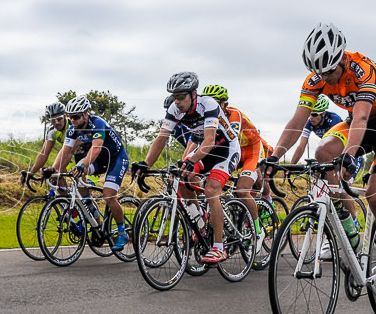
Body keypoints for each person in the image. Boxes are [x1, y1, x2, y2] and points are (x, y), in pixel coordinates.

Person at [265, 22, 376, 310]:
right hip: (358, 125)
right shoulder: (316, 79)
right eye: (321, 73)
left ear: (341, 58)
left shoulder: (363, 69)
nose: (327, 79)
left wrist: (351, 153)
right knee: (322, 152)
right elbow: (297, 121)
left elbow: (361, 118)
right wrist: (275, 155)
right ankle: (346, 225)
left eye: (330, 72)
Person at [136, 72, 241, 265]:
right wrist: (145, 164)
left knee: (211, 189)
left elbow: (209, 141)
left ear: (193, 94)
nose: (177, 101)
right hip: (206, 149)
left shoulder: (208, 104)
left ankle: (218, 248)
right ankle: (200, 219)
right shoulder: (175, 109)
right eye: (174, 97)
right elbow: (161, 138)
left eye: (181, 96)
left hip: (225, 149)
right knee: (182, 180)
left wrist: (192, 160)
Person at [48, 96, 131, 251]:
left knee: (108, 195)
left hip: (116, 158)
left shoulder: (97, 123)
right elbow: (65, 152)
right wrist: (54, 170)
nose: (72, 120)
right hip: (98, 160)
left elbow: (97, 148)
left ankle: (122, 231)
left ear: (86, 114)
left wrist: (84, 165)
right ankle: (90, 209)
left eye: (76, 116)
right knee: (77, 176)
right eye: (70, 117)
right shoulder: (72, 129)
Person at [200, 84, 271, 252]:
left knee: (242, 189)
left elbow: (230, 140)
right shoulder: (209, 118)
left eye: (217, 103)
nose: (214, 106)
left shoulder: (234, 114)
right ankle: (234, 218)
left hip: (251, 150)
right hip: (234, 152)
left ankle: (257, 230)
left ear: (225, 104)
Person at [287, 94, 343, 164]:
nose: (311, 117)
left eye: (314, 114)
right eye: (309, 114)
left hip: (346, 149)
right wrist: (291, 166)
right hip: (329, 148)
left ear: (323, 113)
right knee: (318, 170)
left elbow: (330, 145)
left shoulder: (334, 119)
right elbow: (301, 146)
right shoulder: (309, 123)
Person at [23, 102, 68, 183]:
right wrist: (31, 173)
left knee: (82, 186)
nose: (56, 122)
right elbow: (44, 154)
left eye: (59, 119)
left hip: (85, 156)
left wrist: (54, 169)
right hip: (69, 156)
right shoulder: (52, 131)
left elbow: (67, 150)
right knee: (54, 179)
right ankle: (65, 195)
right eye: (53, 121)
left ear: (65, 116)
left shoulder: (73, 126)